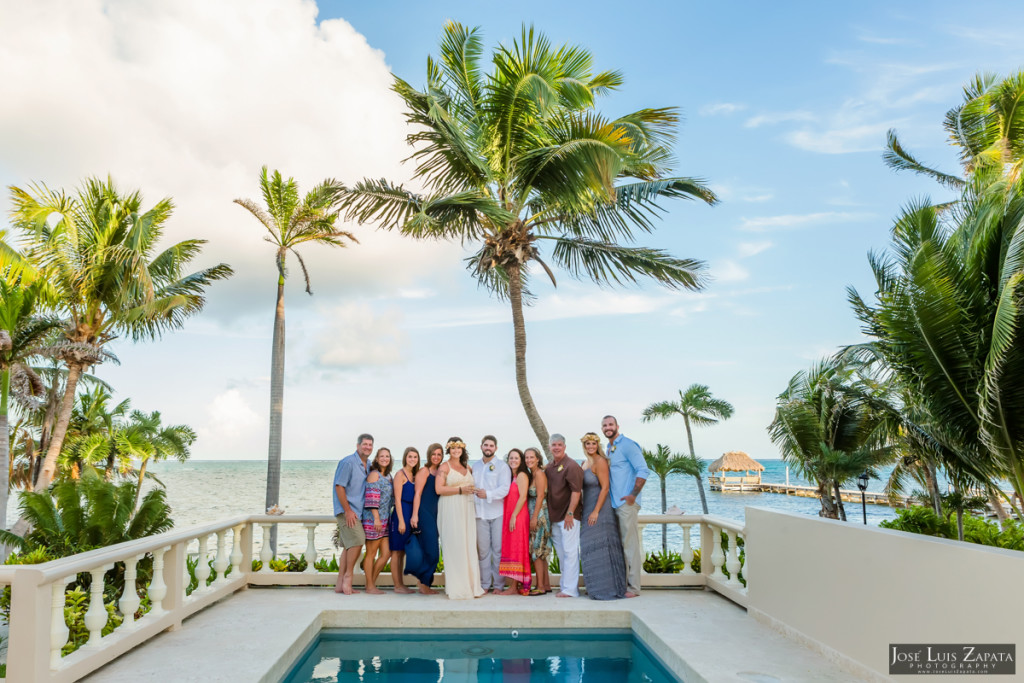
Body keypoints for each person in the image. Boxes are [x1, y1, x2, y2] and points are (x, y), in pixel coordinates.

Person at [602, 415, 650, 598]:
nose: (608, 427)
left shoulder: (628, 445)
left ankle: (634, 588)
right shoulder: (609, 448)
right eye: (605, 425)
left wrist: (633, 496)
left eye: (610, 424)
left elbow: (643, 470)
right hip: (614, 504)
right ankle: (623, 584)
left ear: (617, 426)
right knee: (621, 546)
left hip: (626, 504)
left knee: (630, 546)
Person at [579, 433, 628, 600]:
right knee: (589, 547)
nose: (590, 446)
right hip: (587, 508)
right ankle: (594, 586)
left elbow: (605, 487)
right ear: (584, 446)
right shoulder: (585, 463)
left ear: (597, 445)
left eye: (593, 443)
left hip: (600, 509)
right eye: (587, 444)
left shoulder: (600, 462)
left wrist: (596, 511)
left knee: (603, 546)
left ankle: (608, 588)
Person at [435, 437, 484, 600]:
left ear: (463, 450)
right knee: (455, 544)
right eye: (453, 448)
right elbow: (439, 489)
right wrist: (461, 490)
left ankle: (471, 586)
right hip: (450, 507)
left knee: (468, 544)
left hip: (467, 508)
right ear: (449, 450)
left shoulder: (467, 466)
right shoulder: (444, 467)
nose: (456, 451)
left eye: (459, 448)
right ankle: (457, 587)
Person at [543, 433, 583, 598]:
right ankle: (565, 586)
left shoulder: (571, 465)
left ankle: (571, 590)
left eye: (559, 445)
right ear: (550, 447)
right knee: (561, 553)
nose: (557, 447)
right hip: (554, 517)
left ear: (564, 447)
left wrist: (570, 513)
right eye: (554, 445)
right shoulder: (550, 466)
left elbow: (576, 491)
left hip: (569, 517)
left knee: (570, 552)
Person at [332, 433, 372, 594]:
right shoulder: (348, 462)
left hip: (358, 512)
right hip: (347, 511)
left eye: (370, 445)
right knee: (358, 540)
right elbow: (339, 486)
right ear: (358, 446)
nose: (367, 447)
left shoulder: (368, 464)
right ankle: (348, 578)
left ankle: (340, 583)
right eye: (364, 444)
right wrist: (347, 511)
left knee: (348, 547)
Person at [471, 435, 511, 594]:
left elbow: (505, 489)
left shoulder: (502, 466)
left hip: (497, 514)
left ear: (496, 448)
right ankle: (485, 584)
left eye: (491, 446)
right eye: (486, 445)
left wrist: (487, 494)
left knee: (498, 550)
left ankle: (499, 585)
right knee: (483, 552)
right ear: (481, 447)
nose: (488, 448)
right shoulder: (475, 466)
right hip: (479, 514)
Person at [406, 443, 443, 594]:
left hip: (436, 514)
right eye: (433, 454)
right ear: (429, 455)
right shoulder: (424, 471)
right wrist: (414, 515)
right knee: (432, 551)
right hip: (424, 513)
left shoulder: (440, 472)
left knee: (429, 550)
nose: (436, 457)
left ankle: (424, 584)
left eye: (439, 454)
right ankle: (424, 584)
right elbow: (417, 494)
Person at [498, 448, 532, 595]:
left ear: (521, 460)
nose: (513, 461)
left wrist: (513, 516)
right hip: (511, 515)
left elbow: (523, 497)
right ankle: (513, 585)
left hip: (518, 516)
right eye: (511, 458)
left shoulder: (522, 475)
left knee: (518, 549)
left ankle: (513, 587)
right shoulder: (512, 476)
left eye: (516, 458)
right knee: (512, 547)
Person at [362, 447, 394, 594]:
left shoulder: (388, 476)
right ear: (376, 458)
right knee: (371, 553)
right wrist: (376, 519)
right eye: (382, 456)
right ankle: (369, 586)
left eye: (387, 456)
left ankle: (371, 584)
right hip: (373, 520)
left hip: (385, 520)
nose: (384, 458)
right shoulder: (374, 475)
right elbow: (371, 499)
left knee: (386, 554)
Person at [389, 446, 419, 594]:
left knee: (403, 552)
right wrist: (401, 520)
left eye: (415, 457)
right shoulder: (400, 475)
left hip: (410, 514)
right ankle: (397, 585)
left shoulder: (414, 475)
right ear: (405, 458)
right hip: (401, 514)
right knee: (396, 551)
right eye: (410, 457)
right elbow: (397, 500)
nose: (412, 459)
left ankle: (401, 584)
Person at [523, 447, 552, 595]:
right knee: (540, 551)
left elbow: (540, 496)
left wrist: (534, 517)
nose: (529, 460)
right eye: (526, 457)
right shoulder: (532, 474)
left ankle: (540, 586)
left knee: (537, 551)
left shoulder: (539, 474)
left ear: (538, 459)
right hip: (536, 513)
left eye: (531, 457)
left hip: (539, 515)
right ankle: (546, 584)